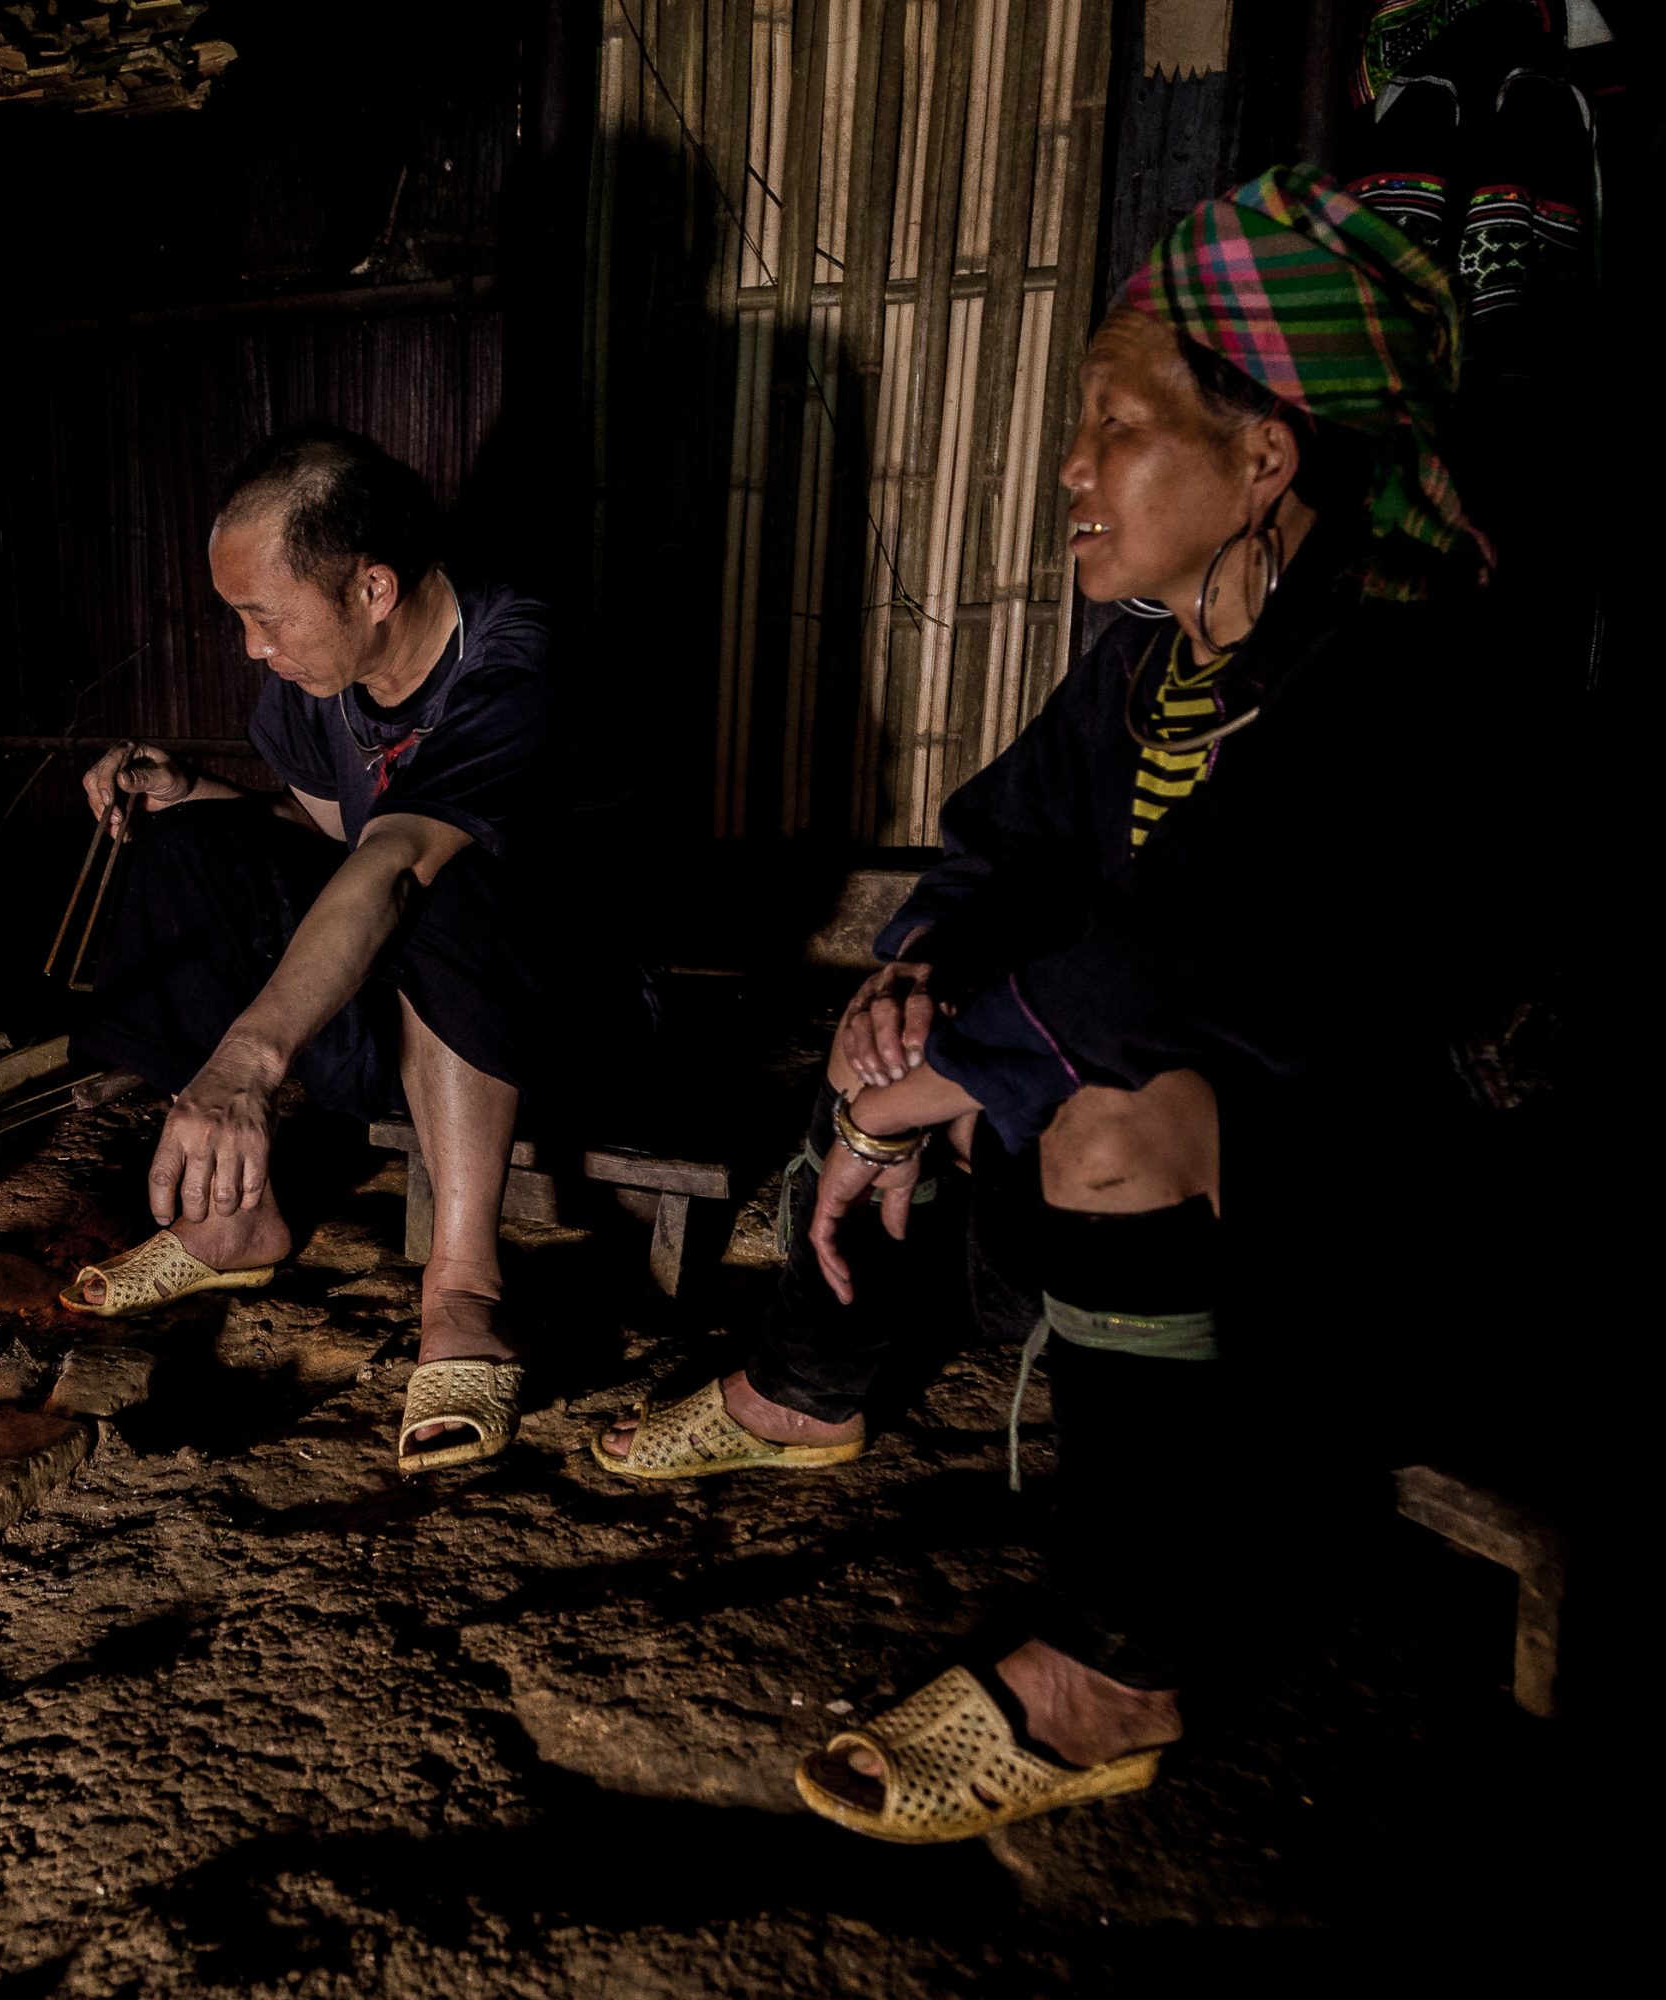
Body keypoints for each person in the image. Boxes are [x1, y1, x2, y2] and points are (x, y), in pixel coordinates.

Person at [594, 165, 1496, 1840]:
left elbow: (1199, 959)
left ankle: (1117, 1666)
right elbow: (1004, 839)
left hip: (1386, 1237)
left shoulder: (1396, 668)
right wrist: (913, 992)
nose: (1071, 469)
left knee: (1098, 1121)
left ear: (1263, 459)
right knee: (907, 1022)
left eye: (1114, 425)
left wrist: (926, 1080)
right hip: (1215, 1154)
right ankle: (806, 1387)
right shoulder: (1149, 659)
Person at [60, 424, 650, 1474]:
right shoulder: (314, 678)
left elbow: (399, 862)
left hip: (563, 1024)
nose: (250, 646)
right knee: (187, 847)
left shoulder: (518, 657)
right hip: (409, 1000)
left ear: (373, 588)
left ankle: (463, 1287)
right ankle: (233, 1223)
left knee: (445, 875)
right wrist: (191, 795)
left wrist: (249, 1059)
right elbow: (333, 843)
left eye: (261, 616)